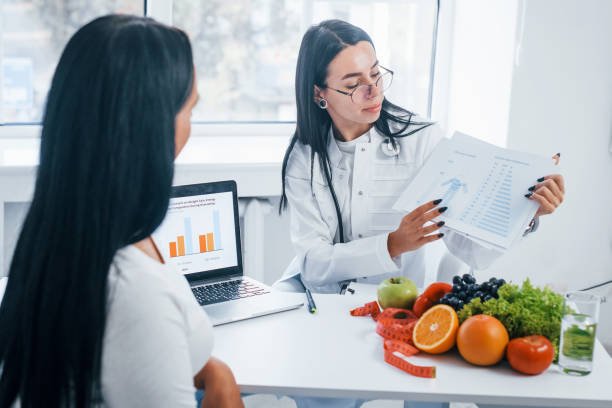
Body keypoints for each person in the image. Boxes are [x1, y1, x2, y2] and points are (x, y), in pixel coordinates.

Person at [276, 20, 565, 408]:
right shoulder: (304, 157)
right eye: (353, 82)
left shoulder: (422, 138)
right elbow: (313, 263)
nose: (372, 90)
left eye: (376, 74)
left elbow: (466, 244)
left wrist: (527, 212)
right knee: (326, 393)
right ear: (319, 93)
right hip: (329, 304)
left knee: (425, 394)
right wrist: (392, 244)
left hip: (410, 306)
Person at [0, 15, 243, 408]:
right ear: (153, 127)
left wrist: (214, 370)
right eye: (190, 112)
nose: (190, 128)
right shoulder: (132, 291)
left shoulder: (71, 232)